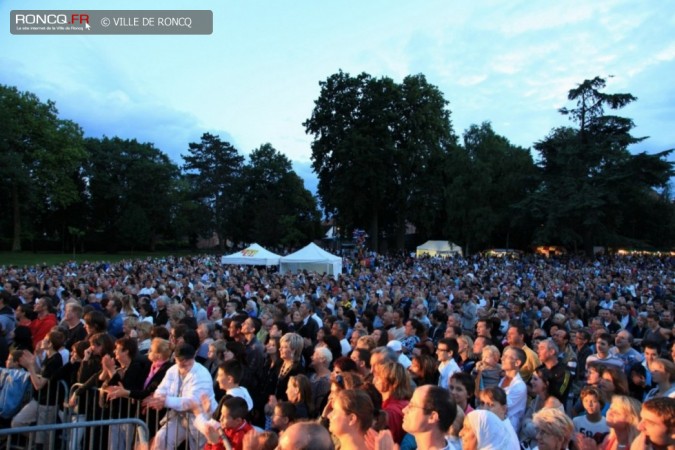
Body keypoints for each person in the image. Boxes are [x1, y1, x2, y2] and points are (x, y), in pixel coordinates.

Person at [144, 343, 216, 450]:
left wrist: (165, 401)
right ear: (175, 358)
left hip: (200, 418)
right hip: (178, 416)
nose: (184, 363)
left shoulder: (202, 375)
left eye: (187, 360)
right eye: (180, 360)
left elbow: (192, 402)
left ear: (194, 356)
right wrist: (158, 399)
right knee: (161, 438)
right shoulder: (172, 370)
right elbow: (162, 388)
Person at [372, 360, 412, 444]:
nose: (374, 379)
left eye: (379, 377)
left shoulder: (391, 411)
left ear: (392, 382)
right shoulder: (404, 403)